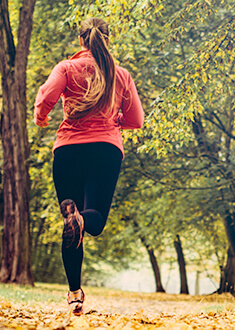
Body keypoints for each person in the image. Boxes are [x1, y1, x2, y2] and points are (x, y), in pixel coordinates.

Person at [33, 17, 144, 316]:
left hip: (67, 151)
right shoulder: (120, 75)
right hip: (104, 151)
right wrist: (113, 122)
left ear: (81, 40)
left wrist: (41, 115)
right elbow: (135, 120)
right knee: (89, 221)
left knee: (70, 223)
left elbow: (46, 96)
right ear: (107, 40)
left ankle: (74, 294)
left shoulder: (66, 68)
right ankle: (81, 220)